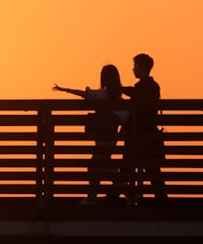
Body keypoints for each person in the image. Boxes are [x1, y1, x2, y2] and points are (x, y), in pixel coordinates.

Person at [53, 64, 127, 204]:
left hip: (101, 137)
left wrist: (66, 90)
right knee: (106, 167)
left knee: (97, 166)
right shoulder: (119, 98)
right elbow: (124, 117)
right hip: (111, 137)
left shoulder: (101, 94)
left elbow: (85, 94)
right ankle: (127, 195)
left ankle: (93, 198)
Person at [110, 53, 167, 203]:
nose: (133, 69)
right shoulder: (152, 86)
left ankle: (115, 196)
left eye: (135, 66)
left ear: (142, 67)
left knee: (130, 167)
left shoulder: (146, 87)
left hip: (140, 135)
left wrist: (119, 88)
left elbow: (135, 93)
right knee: (149, 168)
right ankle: (161, 198)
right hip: (146, 135)